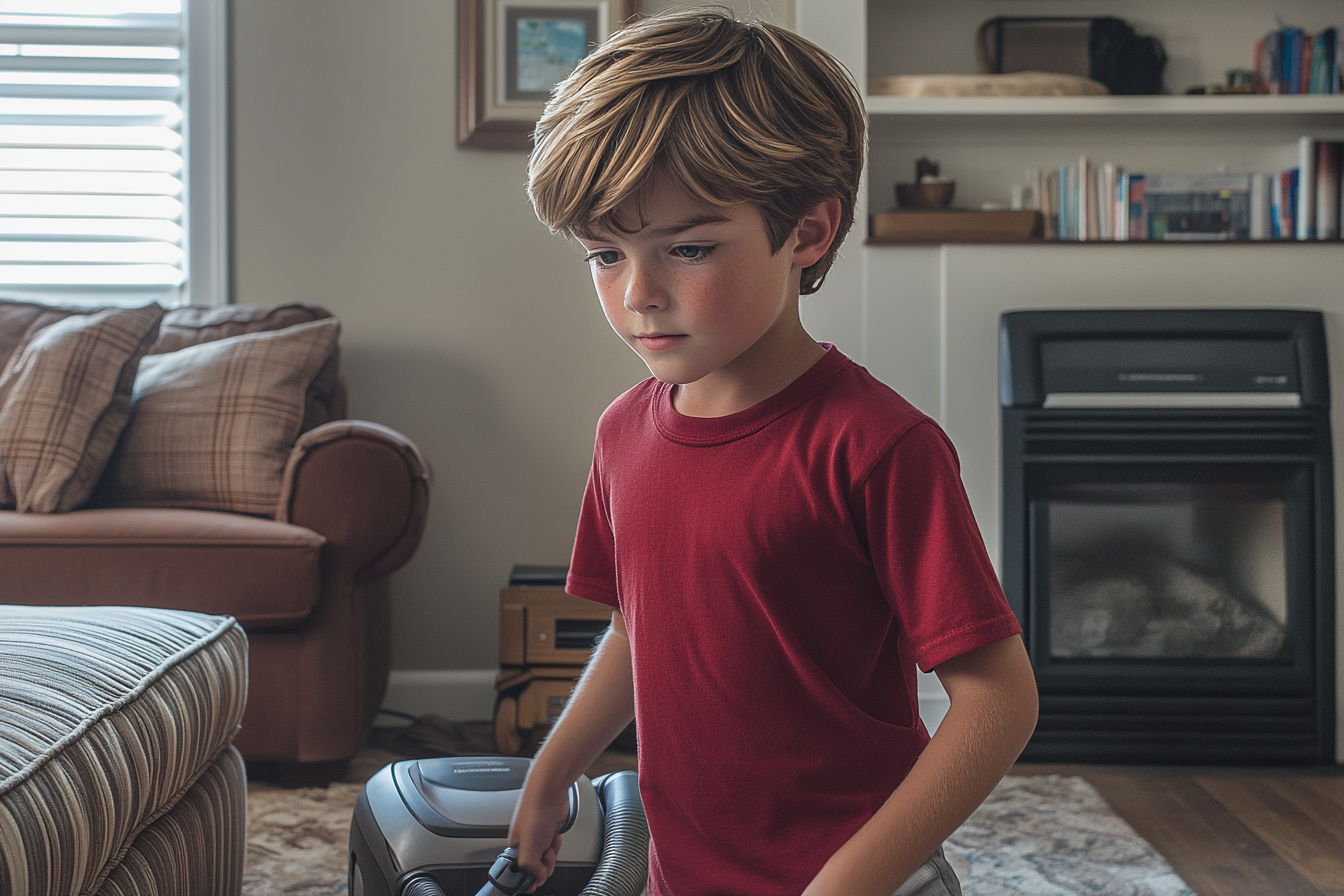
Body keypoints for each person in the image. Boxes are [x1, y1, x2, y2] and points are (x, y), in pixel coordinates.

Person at [508, 8, 1039, 895]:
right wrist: (554, 767)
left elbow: (998, 698)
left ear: (808, 232)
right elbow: (641, 626)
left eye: (689, 247)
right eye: (605, 254)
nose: (639, 293)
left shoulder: (879, 448)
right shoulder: (621, 435)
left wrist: (848, 882)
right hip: (688, 873)